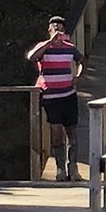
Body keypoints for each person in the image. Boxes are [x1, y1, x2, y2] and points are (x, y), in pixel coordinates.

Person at [25, 15, 85, 181]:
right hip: (51, 96)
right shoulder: (44, 47)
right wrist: (50, 42)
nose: (57, 31)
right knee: (56, 133)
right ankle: (60, 169)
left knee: (72, 132)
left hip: (68, 95)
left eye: (60, 28)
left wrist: (78, 76)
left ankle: (73, 169)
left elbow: (81, 60)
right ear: (49, 30)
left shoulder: (69, 47)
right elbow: (31, 57)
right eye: (54, 28)